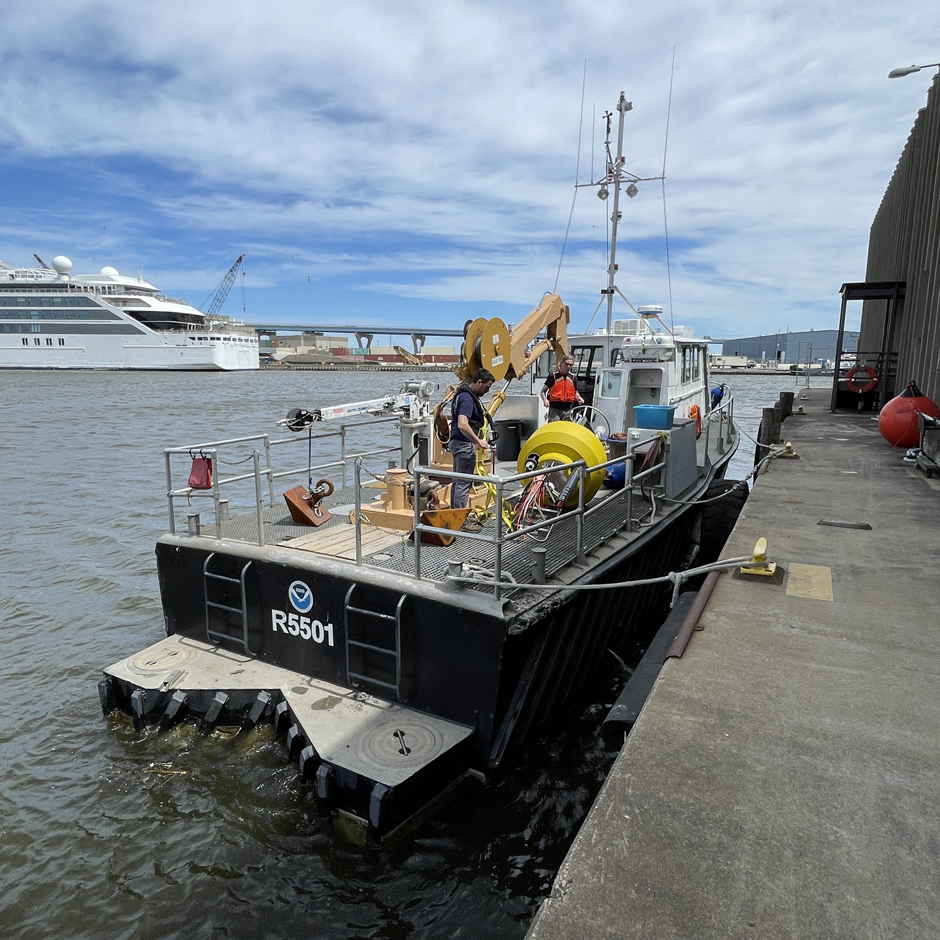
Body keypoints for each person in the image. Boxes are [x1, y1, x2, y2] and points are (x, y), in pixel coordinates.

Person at [448, 368, 495, 514]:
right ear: (479, 382)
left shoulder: (463, 395)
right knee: (463, 483)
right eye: (487, 386)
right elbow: (463, 423)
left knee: (457, 481)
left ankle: (455, 515)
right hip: (464, 445)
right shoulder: (467, 398)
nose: (488, 391)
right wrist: (478, 441)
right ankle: (461, 519)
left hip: (457, 442)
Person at [541, 355, 584, 421]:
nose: (568, 367)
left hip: (568, 410)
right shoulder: (553, 376)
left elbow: (576, 392)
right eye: (566, 364)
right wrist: (545, 400)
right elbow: (543, 391)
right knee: (555, 428)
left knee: (567, 429)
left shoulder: (573, 378)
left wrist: (579, 398)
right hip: (554, 409)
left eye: (571, 365)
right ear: (561, 364)